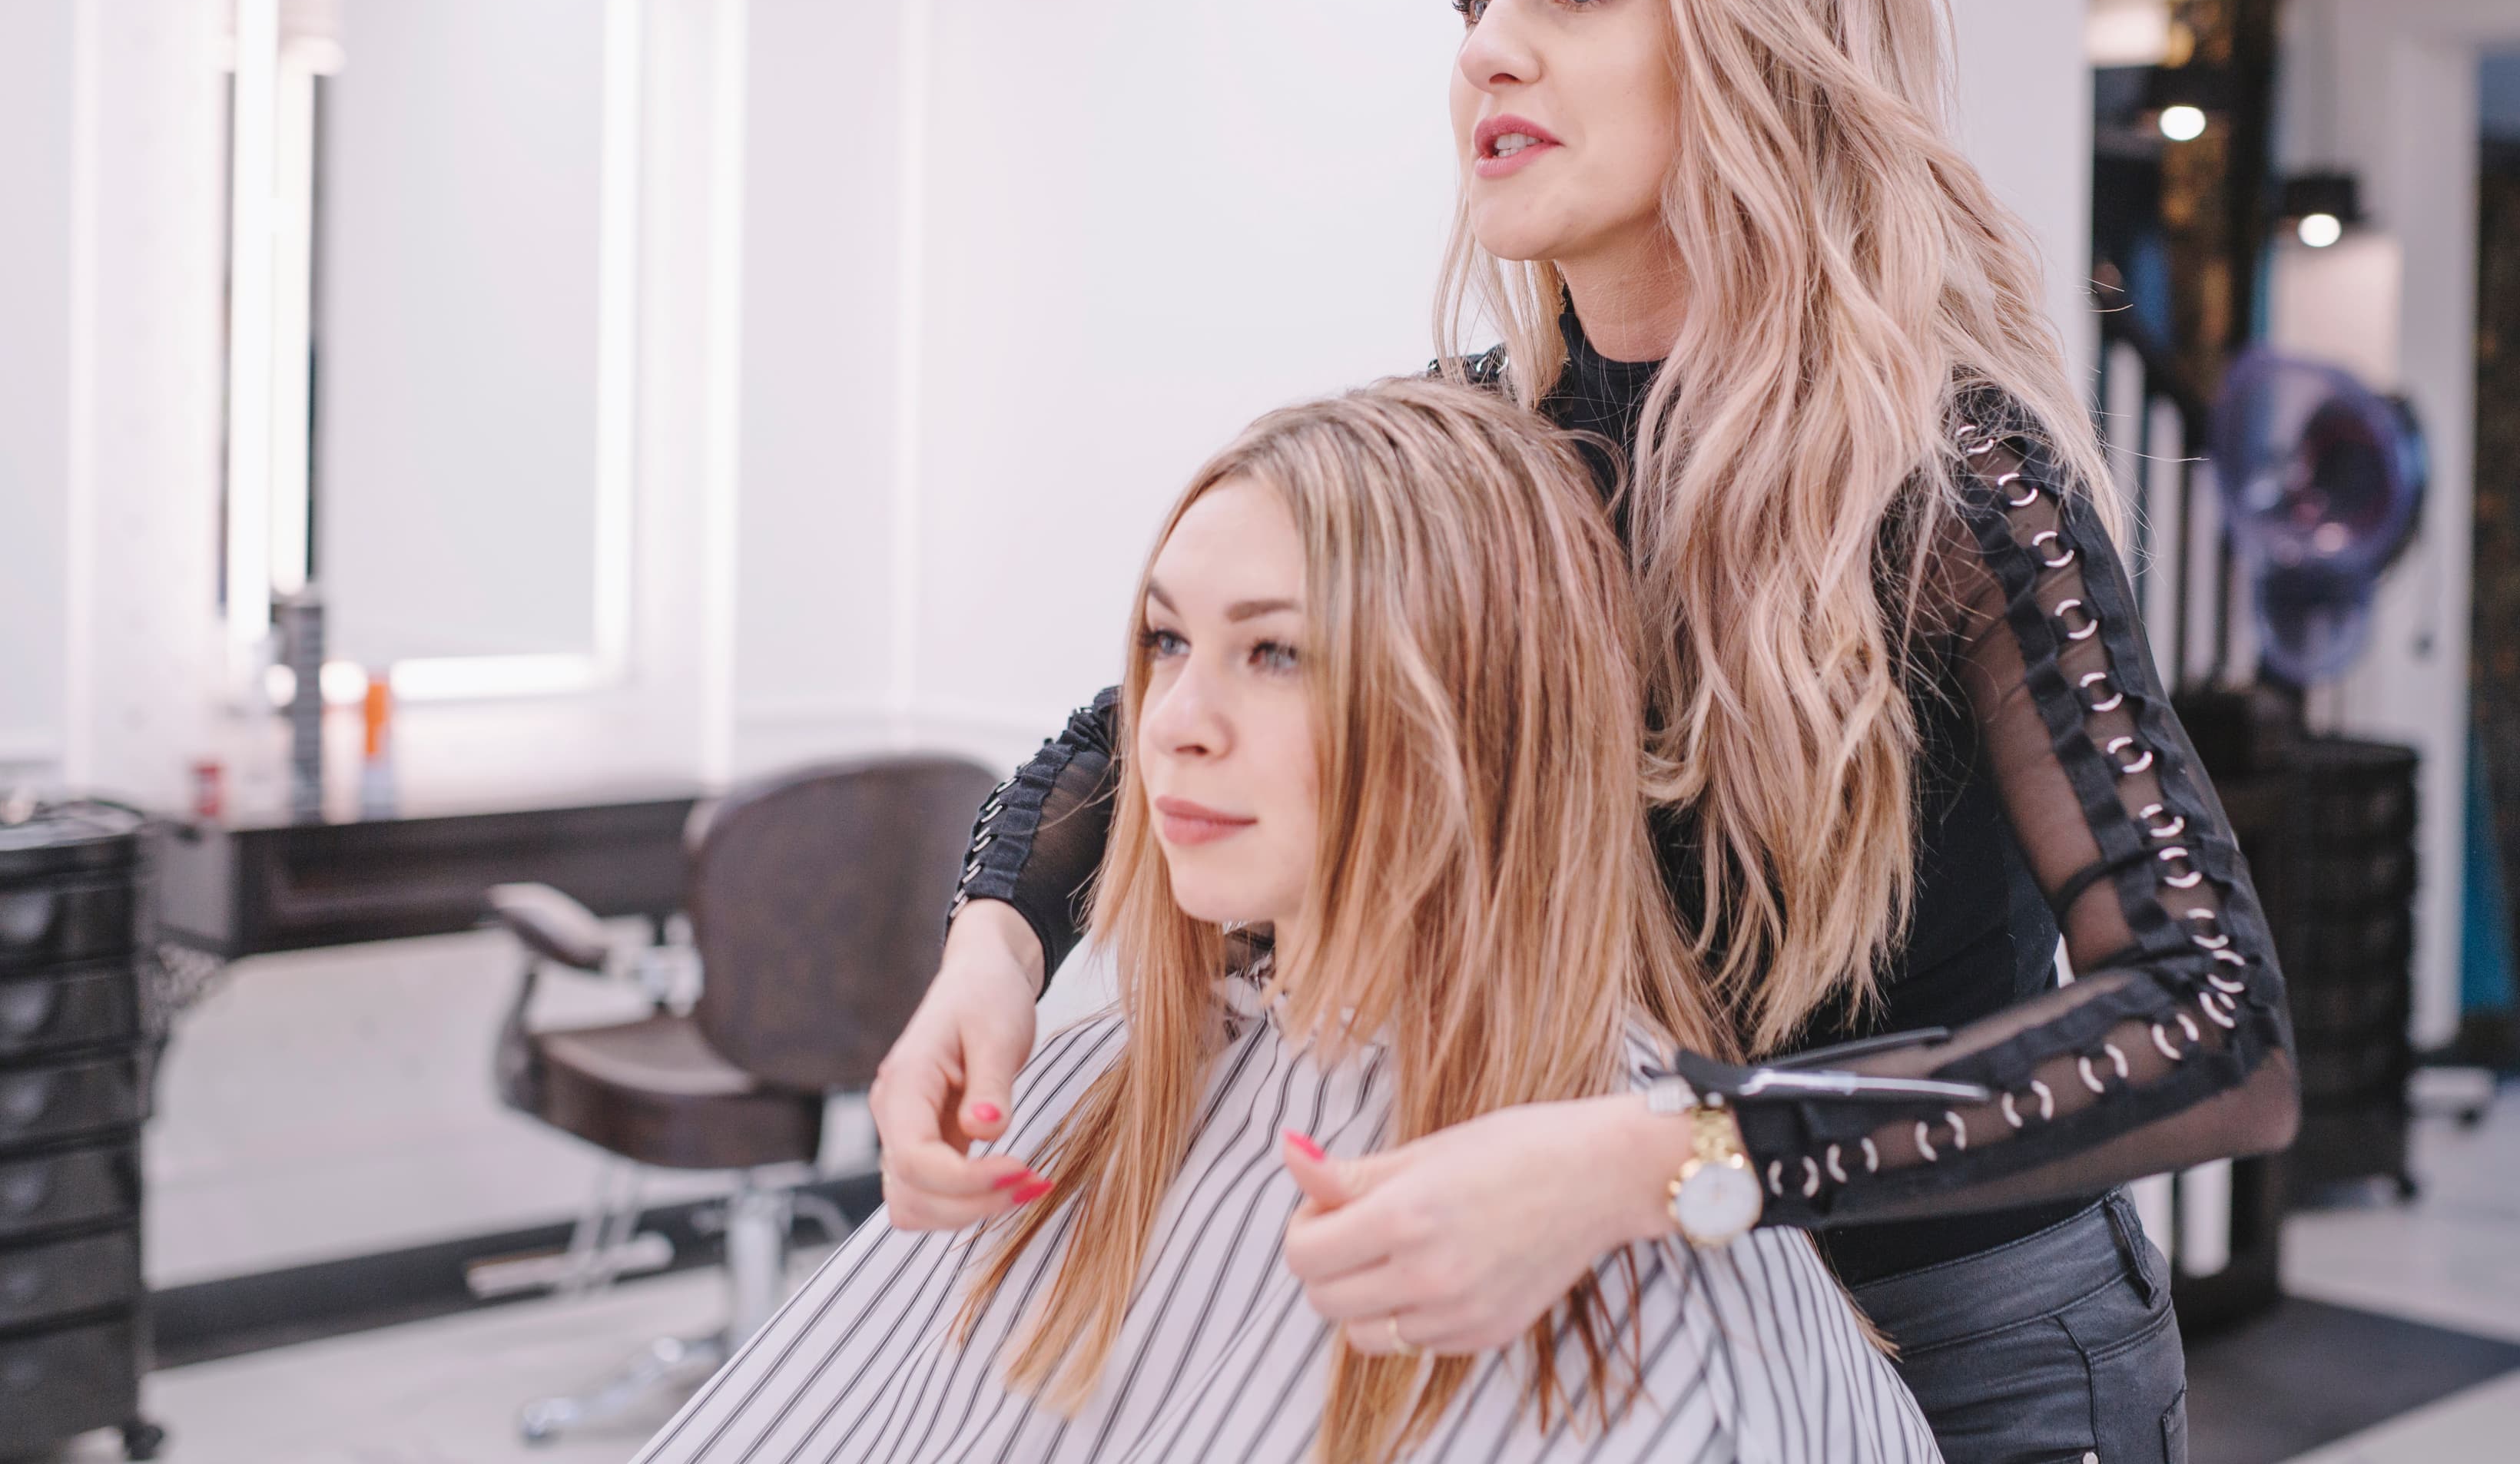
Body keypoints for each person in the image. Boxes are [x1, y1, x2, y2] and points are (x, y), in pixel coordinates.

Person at [880, 0, 2297, 1462]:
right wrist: (992, 949)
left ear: (1759, 35)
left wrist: (1658, 1153)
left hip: (1971, 1351)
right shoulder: (1477, 455)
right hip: (1630, 1318)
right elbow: (1134, 737)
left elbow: (2213, 1030)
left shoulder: (1956, 488)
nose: (1488, 45)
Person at [636, 384, 1936, 1462]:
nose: (1170, 724)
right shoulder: (1109, 1096)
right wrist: (990, 942)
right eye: (1163, 642)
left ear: (1468, 713)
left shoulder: (1630, 1219)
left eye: (1275, 653)